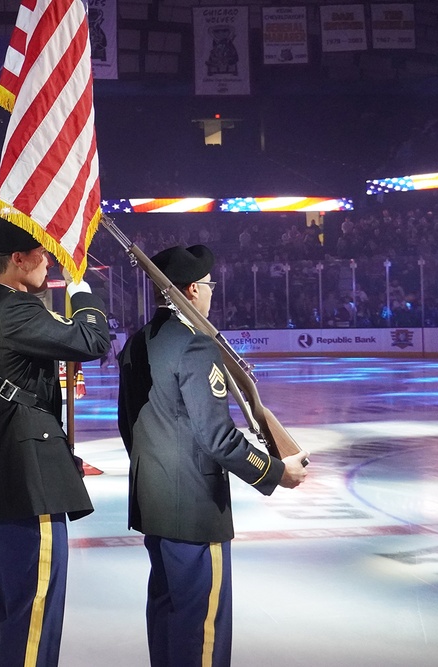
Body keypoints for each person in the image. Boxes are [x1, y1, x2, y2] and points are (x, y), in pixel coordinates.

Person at [117, 245, 308, 667]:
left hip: (155, 503)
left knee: (167, 616)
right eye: (207, 285)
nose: (210, 293)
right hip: (197, 512)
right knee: (202, 629)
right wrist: (276, 472)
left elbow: (128, 427)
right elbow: (218, 439)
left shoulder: (135, 344)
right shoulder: (196, 347)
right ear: (191, 290)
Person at [0, 219, 111, 667]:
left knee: (18, 611)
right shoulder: (15, 309)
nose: (47, 261)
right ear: (18, 259)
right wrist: (82, 289)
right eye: (41, 253)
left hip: (13, 471)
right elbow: (92, 341)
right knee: (34, 613)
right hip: (30, 479)